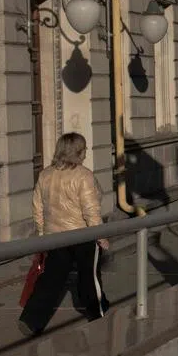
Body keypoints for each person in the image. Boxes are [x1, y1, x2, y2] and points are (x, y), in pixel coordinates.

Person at [19, 133, 109, 337]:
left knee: (51, 279)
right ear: (77, 152)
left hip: (56, 236)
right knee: (90, 277)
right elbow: (91, 211)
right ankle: (97, 313)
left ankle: (31, 320)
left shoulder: (45, 175)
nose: (86, 153)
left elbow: (37, 208)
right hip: (83, 235)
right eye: (84, 149)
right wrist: (101, 237)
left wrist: (43, 235)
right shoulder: (83, 175)